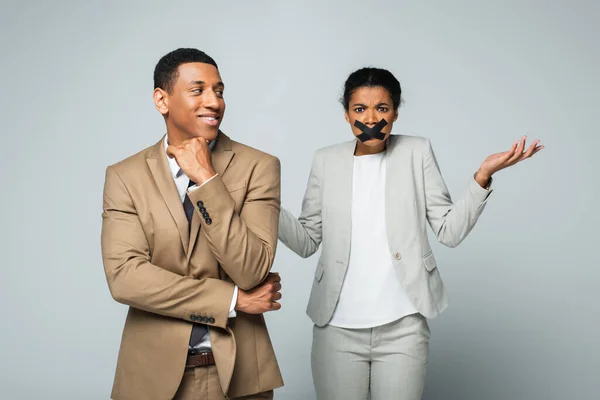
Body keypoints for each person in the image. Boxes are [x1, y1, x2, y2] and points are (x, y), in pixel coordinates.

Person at [278, 67, 543, 400]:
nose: (371, 118)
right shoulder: (326, 160)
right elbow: (305, 241)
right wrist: (265, 204)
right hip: (336, 329)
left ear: (396, 113)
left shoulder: (417, 152)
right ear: (346, 115)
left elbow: (449, 231)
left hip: (403, 327)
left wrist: (482, 176)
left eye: (382, 108)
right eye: (360, 108)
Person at [101, 48, 284, 400]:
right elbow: (125, 277)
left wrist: (206, 179)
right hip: (149, 376)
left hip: (239, 375)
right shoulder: (125, 177)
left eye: (219, 90)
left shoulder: (259, 167)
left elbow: (251, 269)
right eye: (198, 90)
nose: (214, 102)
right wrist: (231, 299)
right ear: (162, 99)